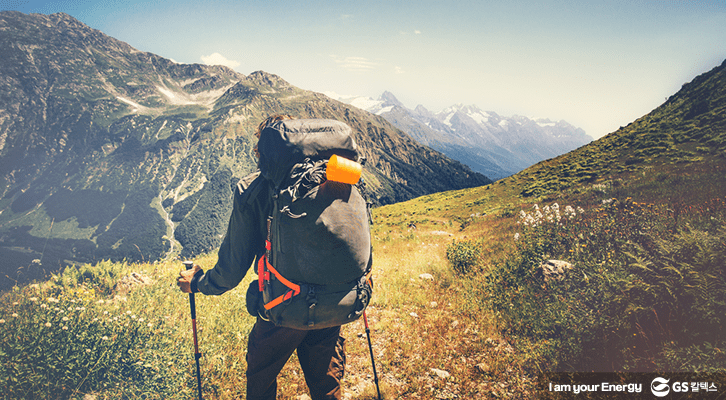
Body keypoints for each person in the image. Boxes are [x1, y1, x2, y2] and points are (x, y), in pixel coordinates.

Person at [177, 115, 347, 400]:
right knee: (326, 384)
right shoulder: (334, 176)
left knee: (261, 380)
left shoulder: (253, 189)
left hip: (283, 307)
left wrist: (198, 283)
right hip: (335, 302)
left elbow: (231, 270)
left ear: (265, 148)